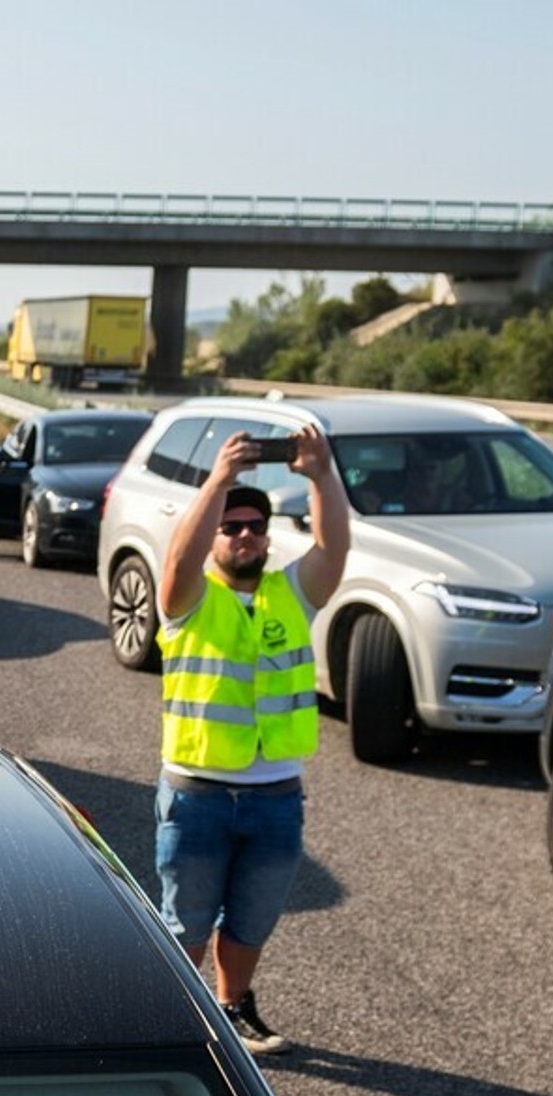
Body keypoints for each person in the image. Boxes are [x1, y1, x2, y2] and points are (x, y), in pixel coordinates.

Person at [150, 426, 352, 1055]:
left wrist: (321, 474)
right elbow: (177, 564)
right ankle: (177, 1017)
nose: (244, 536)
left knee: (252, 920)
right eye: (231, 526)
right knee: (185, 922)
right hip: (199, 793)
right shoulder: (189, 599)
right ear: (214, 534)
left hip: (274, 797)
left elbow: (335, 549)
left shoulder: (291, 594)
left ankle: (233, 1006)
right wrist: (219, 479)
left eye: (255, 527)